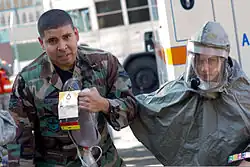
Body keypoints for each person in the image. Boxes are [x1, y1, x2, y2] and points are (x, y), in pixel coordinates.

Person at [8, 9, 137, 167]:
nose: (62, 47)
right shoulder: (27, 80)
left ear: (76, 34)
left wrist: (104, 104)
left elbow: (132, 109)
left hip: (104, 161)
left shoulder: (104, 63)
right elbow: (19, 140)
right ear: (42, 43)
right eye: (53, 41)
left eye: (67, 37)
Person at [130, 21, 250, 166]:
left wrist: (246, 159)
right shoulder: (180, 91)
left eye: (211, 61)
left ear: (223, 60)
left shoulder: (242, 92)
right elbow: (142, 107)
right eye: (200, 61)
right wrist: (109, 105)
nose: (205, 68)